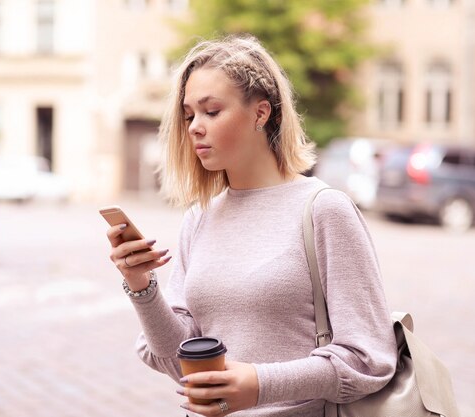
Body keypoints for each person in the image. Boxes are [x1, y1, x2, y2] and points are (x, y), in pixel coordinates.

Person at [105, 34, 396, 417]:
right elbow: (178, 361)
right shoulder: (199, 218)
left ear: (261, 113)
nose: (194, 127)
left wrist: (260, 385)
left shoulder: (324, 210)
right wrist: (141, 284)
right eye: (189, 114)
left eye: (211, 111)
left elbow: (369, 359)